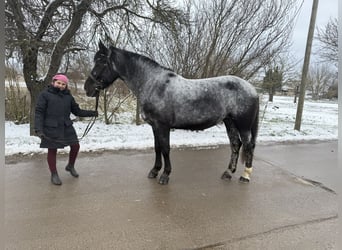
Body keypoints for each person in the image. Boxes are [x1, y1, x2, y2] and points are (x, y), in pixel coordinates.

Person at [34, 73, 98, 185]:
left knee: (75, 146)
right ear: (53, 82)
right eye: (59, 83)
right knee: (52, 150)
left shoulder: (68, 96)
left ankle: (70, 166)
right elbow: (39, 112)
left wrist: (92, 113)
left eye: (63, 84)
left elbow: (77, 111)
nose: (61, 85)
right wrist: (39, 129)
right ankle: (54, 174)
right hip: (50, 127)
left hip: (66, 126)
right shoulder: (45, 95)